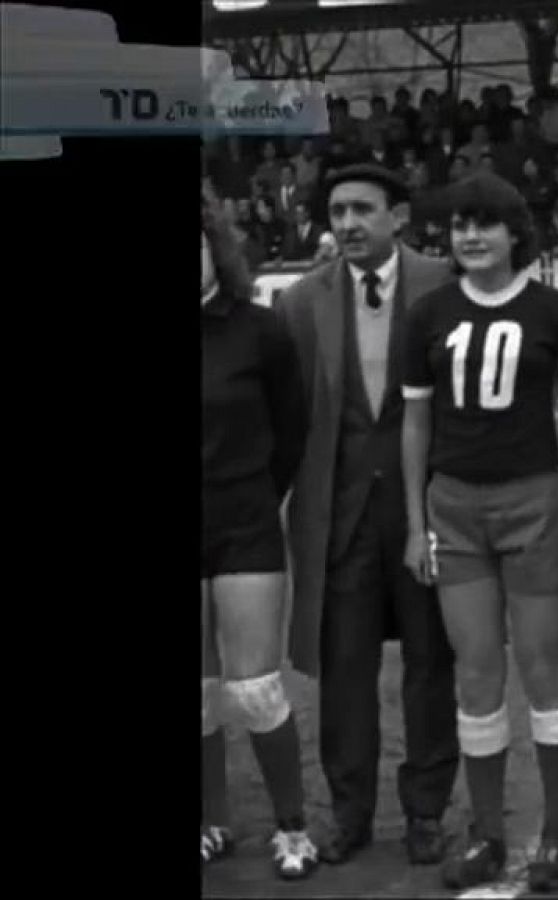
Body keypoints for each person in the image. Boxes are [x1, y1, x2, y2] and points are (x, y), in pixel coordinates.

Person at [398, 171, 558, 891]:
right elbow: (416, 420)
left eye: (486, 223)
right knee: (477, 672)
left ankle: (557, 836)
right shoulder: (428, 315)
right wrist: (415, 520)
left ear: (518, 232)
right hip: (454, 509)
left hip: (534, 504)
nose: (471, 236)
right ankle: (487, 834)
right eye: (460, 225)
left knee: (544, 668)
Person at [274, 163, 460, 869]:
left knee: (430, 664)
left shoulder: (445, 282)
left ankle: (426, 812)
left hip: (429, 510)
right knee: (343, 671)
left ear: (399, 216)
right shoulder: (299, 302)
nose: (347, 223)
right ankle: (349, 814)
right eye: (337, 211)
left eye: (362, 209)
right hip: (338, 517)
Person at [201, 188, 318, 880]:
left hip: (245, 523)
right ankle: (213, 821)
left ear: (216, 245)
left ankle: (292, 825)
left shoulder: (259, 329)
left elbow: (291, 429)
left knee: (254, 689)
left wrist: (254, 494)